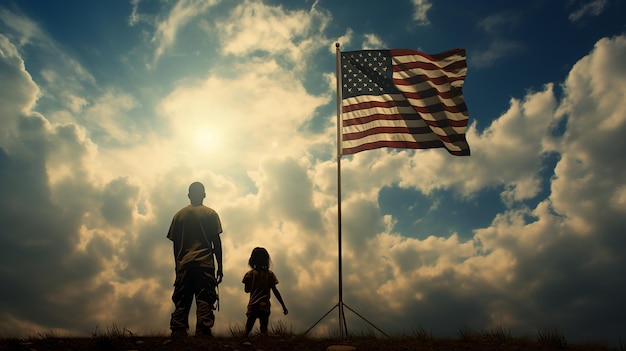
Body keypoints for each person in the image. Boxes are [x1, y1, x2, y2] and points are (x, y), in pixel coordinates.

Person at [167, 182, 223, 338]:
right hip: (205, 264)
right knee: (205, 299)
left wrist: (177, 265)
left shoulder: (178, 216)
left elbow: (175, 244)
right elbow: (216, 242)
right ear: (204, 194)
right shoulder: (211, 214)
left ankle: (178, 331)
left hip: (184, 264)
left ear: (189, 195)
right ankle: (203, 331)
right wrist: (220, 266)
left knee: (182, 300)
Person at [242, 247, 288, 336]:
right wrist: (283, 306)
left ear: (252, 260)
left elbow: (246, 290)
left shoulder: (249, 274)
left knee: (247, 329)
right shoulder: (270, 274)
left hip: (253, 305)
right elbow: (275, 291)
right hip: (264, 305)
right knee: (264, 329)